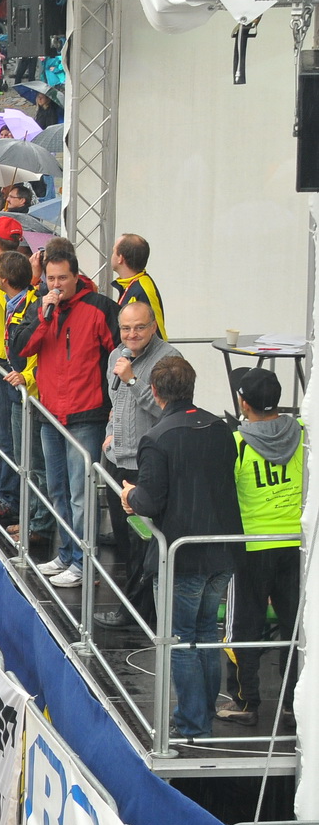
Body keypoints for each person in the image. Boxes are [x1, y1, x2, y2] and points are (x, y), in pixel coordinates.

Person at [121, 355, 241, 740]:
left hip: (182, 556)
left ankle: (193, 722)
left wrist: (130, 494)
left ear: (154, 393)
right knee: (207, 633)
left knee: (180, 640)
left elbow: (150, 502)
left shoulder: (157, 438)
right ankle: (201, 715)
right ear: (191, 387)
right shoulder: (221, 428)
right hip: (223, 549)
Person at [11, 240, 119, 585]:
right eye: (50, 279)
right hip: (49, 413)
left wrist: (115, 410)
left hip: (86, 414)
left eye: (62, 278)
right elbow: (20, 350)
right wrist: (43, 316)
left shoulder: (100, 308)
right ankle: (68, 555)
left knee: (80, 493)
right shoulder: (41, 308)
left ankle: (85, 565)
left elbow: (119, 355)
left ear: (76, 277)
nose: (55, 285)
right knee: (56, 490)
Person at [223, 367, 304, 723]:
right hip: (296, 546)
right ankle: (292, 704)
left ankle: (247, 703)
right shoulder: (302, 434)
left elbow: (224, 492)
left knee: (245, 626)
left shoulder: (238, 443)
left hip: (253, 545)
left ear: (244, 403)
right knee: (294, 627)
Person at [97, 302, 174, 627]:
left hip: (147, 465)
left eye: (139, 328)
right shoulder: (117, 356)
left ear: (153, 327)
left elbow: (166, 410)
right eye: (126, 328)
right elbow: (116, 405)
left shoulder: (168, 361)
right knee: (127, 542)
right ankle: (134, 608)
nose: (132, 335)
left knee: (146, 541)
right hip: (118, 460)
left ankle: (140, 612)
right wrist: (110, 433)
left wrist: (132, 381)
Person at [109, 233, 165, 339]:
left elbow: (158, 334)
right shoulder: (129, 284)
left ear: (120, 258)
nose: (111, 256)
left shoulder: (143, 288)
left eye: (113, 252)